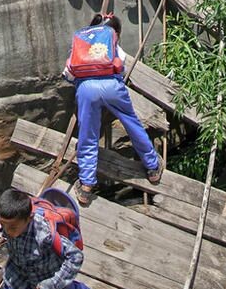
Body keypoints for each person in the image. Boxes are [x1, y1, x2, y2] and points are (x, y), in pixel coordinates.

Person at [64, 13, 162, 205]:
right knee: (132, 124)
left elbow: (68, 73)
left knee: (88, 136)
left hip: (86, 89)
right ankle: (152, 168)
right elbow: (121, 66)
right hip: (112, 86)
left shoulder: (81, 41)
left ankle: (86, 186)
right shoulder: (113, 43)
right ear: (116, 32)